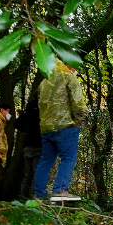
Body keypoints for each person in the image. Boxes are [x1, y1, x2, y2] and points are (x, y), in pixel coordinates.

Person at [34, 60, 87, 202]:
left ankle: (39, 193)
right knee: (68, 158)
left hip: (46, 128)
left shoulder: (45, 81)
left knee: (45, 160)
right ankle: (59, 190)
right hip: (65, 126)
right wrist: (78, 123)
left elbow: (40, 104)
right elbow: (78, 104)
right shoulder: (69, 77)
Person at [14, 93, 41, 200]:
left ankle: (23, 198)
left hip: (28, 144)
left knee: (28, 174)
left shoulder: (29, 109)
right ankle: (34, 199)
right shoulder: (44, 108)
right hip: (39, 145)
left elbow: (17, 123)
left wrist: (28, 130)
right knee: (37, 173)